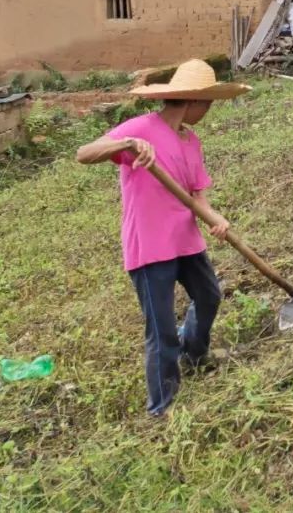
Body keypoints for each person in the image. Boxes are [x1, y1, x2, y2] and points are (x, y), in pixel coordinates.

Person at [76, 59, 250, 415]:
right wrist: (127, 143)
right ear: (192, 101)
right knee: (161, 328)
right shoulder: (141, 128)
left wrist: (217, 221)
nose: (209, 111)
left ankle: (195, 353)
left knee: (209, 296)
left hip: (186, 239)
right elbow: (84, 154)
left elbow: (197, 196)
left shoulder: (191, 140)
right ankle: (162, 406)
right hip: (151, 246)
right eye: (208, 103)